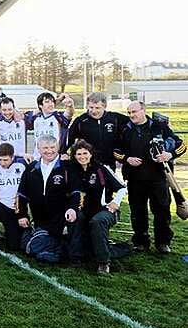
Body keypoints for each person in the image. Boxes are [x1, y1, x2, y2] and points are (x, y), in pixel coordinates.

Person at [114, 101, 185, 253]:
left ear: (143, 110)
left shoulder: (159, 126)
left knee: (162, 211)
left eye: (134, 111)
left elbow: (181, 144)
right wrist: (127, 159)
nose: (132, 115)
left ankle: (163, 242)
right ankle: (140, 242)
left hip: (159, 178)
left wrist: (169, 155)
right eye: (129, 112)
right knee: (137, 212)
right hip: (134, 179)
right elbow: (115, 150)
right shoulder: (125, 130)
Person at [67, 140, 129, 273]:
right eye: (78, 154)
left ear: (91, 154)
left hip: (105, 210)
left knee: (97, 221)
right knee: (74, 218)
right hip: (84, 210)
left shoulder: (101, 169)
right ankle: (75, 258)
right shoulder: (72, 170)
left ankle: (103, 262)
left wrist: (115, 202)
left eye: (85, 153)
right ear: (74, 155)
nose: (82, 156)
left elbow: (122, 188)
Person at [16, 135, 82, 254]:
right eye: (45, 148)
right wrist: (22, 214)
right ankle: (54, 246)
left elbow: (75, 192)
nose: (49, 151)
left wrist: (72, 208)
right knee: (28, 247)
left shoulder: (67, 167)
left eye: (52, 147)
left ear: (57, 147)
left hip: (61, 219)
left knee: (40, 248)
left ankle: (63, 248)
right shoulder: (31, 168)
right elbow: (22, 194)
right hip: (39, 219)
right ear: (38, 149)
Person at [67, 92, 128, 170]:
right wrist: (64, 153)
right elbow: (69, 139)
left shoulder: (115, 118)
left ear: (104, 106)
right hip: (87, 164)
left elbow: (136, 123)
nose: (94, 111)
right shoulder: (81, 121)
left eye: (97, 108)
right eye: (91, 107)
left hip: (109, 164)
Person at [24, 92, 74, 159]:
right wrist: (58, 99)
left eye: (52, 102)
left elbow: (69, 114)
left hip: (55, 157)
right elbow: (20, 115)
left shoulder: (58, 117)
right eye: (47, 102)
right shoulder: (35, 118)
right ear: (40, 105)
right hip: (38, 158)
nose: (51, 104)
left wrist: (70, 106)